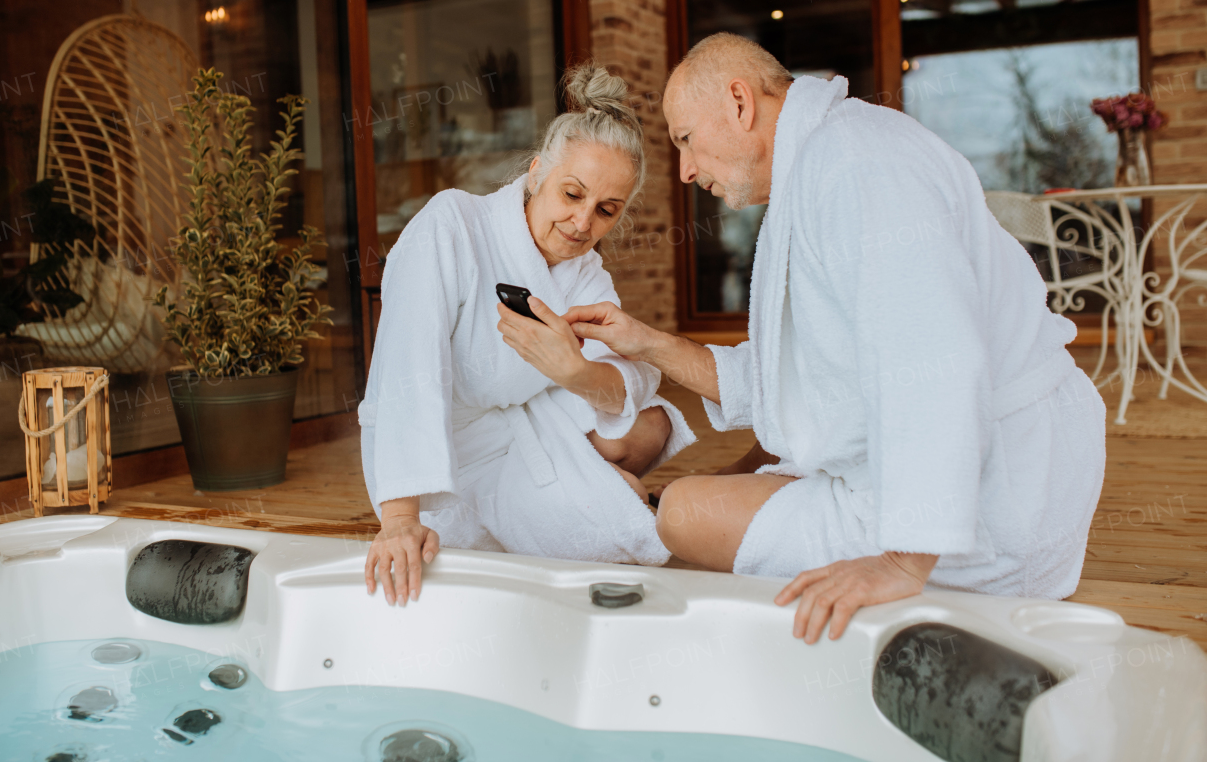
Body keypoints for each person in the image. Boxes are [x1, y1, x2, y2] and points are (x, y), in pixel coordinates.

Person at [566, 33, 1106, 644]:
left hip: (998, 500)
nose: (687, 170)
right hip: (965, 476)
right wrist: (645, 342)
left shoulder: (856, 167)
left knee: (686, 513)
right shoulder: (822, 162)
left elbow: (936, 357)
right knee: (719, 487)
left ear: (740, 103)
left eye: (686, 140)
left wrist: (904, 559)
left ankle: (926, 561)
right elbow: (785, 378)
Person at [359, 64, 696, 607]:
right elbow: (405, 367)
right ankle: (577, 485)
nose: (582, 223)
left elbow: (632, 376)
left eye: (606, 210)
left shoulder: (585, 272)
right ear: (538, 171)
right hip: (448, 452)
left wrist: (577, 372)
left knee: (649, 424)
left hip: (524, 428)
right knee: (627, 509)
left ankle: (585, 476)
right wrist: (400, 517)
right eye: (572, 194)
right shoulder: (453, 225)